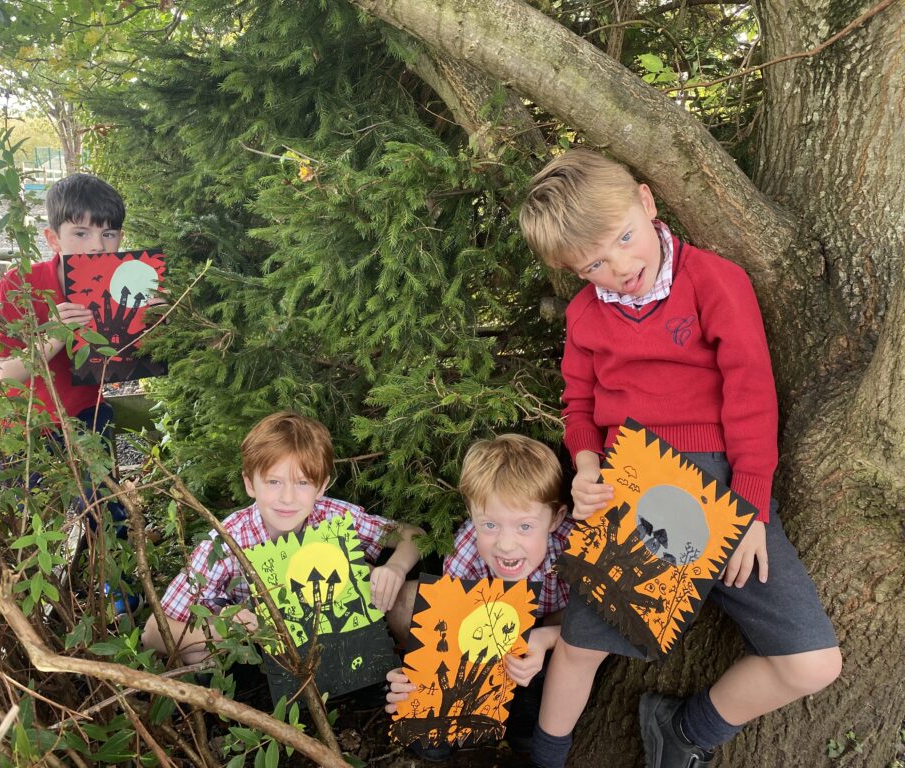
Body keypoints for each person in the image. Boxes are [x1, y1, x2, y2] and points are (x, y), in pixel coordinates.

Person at [517, 148, 842, 768]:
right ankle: (548, 760)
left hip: (731, 496)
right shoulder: (587, 316)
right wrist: (586, 466)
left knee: (813, 662)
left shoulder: (714, 281)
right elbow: (578, 405)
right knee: (581, 649)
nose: (619, 265)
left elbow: (751, 395)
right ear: (571, 270)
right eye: (594, 263)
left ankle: (685, 731)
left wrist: (748, 510)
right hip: (639, 497)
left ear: (646, 200)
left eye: (624, 238)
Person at [142, 411, 423, 665]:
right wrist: (225, 629)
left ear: (321, 486)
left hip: (345, 645)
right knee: (195, 651)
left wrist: (395, 568)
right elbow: (153, 632)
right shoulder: (228, 541)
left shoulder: (332, 516)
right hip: (264, 660)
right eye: (274, 482)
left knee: (404, 594)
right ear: (250, 484)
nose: (287, 498)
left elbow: (413, 534)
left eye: (302, 483)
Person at [384, 434, 573, 758]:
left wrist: (547, 640)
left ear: (555, 518)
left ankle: (527, 717)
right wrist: (415, 674)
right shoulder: (465, 555)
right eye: (490, 525)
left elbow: (591, 619)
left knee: (564, 640)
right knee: (431, 739)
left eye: (525, 527)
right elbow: (453, 634)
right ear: (472, 514)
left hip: (543, 636)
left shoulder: (572, 550)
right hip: (484, 632)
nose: (506, 544)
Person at [0, 173, 132, 608]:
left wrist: (151, 316)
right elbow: (5, 372)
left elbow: (129, 357)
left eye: (107, 233)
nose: (96, 245)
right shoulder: (20, 284)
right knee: (33, 521)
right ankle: (30, 605)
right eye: (81, 232)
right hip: (28, 425)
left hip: (88, 413)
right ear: (53, 238)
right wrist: (56, 331)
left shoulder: (124, 280)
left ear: (119, 238)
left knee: (106, 510)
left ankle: (120, 590)